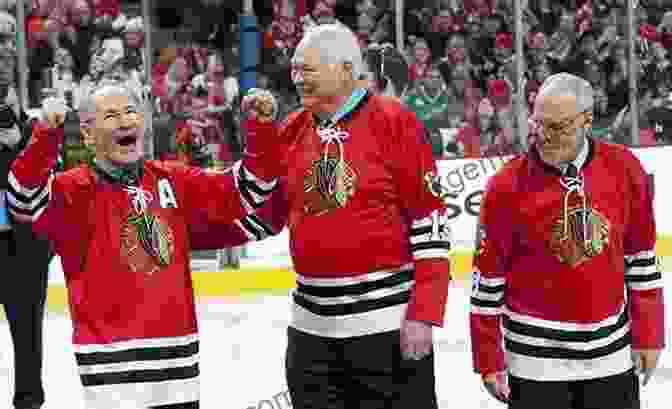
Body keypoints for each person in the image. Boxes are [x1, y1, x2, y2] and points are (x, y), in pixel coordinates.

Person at [7, 82, 282, 409]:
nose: (125, 121)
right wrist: (45, 136)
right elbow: (23, 199)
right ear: (89, 133)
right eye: (111, 115)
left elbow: (247, 191)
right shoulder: (73, 191)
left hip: (178, 373)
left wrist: (261, 129)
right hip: (110, 376)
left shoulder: (173, 181)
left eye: (130, 112)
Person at [231, 23, 452, 408]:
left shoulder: (395, 122)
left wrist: (425, 313)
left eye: (308, 69)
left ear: (347, 69)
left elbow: (429, 221)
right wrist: (259, 140)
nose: (297, 78)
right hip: (311, 336)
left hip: (388, 332)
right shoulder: (292, 129)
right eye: (295, 69)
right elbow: (266, 217)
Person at [470, 73, 664, 409]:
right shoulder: (505, 186)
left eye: (558, 127)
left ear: (587, 121)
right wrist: (488, 357)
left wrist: (649, 335)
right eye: (538, 124)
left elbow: (642, 259)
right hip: (535, 366)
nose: (544, 137)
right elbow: (486, 281)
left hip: (611, 359)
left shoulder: (625, 170)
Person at [0, 11, 51, 409]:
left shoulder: (22, 110)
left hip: (21, 244)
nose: (4, 49)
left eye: (9, 40)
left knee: (29, 338)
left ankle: (29, 402)